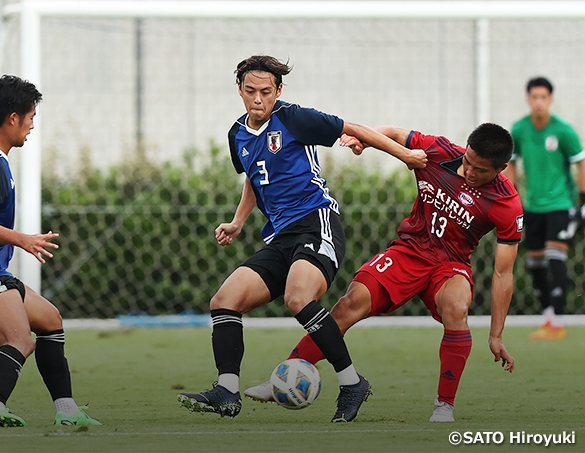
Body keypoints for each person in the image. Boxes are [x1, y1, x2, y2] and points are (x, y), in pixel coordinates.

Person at [177, 55, 427, 423]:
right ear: (240, 91)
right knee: (224, 300)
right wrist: (237, 222)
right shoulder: (237, 134)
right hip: (280, 238)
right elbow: (253, 176)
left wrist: (404, 154)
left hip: (317, 224)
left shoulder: (294, 118)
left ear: (278, 91)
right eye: (250, 91)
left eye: (266, 91)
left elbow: (353, 127)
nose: (258, 99)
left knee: (298, 297)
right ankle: (227, 391)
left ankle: (352, 382)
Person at [244, 123, 523, 423]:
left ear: (501, 168)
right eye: (468, 161)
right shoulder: (439, 151)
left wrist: (496, 335)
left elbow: (503, 274)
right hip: (408, 252)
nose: (469, 171)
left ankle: (444, 406)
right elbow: (392, 133)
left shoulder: (507, 203)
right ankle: (284, 377)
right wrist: (363, 140)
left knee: (457, 306)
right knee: (350, 304)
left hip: (450, 264)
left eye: (480, 170)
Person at [0, 75, 101, 428]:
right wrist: (23, 240)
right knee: (19, 340)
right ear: (12, 118)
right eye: (30, 117)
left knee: (50, 321)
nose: (32, 125)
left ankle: (67, 412)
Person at [505, 77, 585, 341]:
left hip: (561, 205)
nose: (539, 102)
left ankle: (558, 322)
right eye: (534, 97)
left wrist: (582, 202)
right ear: (528, 100)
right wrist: (512, 197)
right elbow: (511, 163)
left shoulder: (563, 130)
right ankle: (548, 318)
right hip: (532, 206)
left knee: (555, 256)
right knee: (535, 262)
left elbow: (581, 163)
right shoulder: (519, 130)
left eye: (543, 97)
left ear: (550, 100)